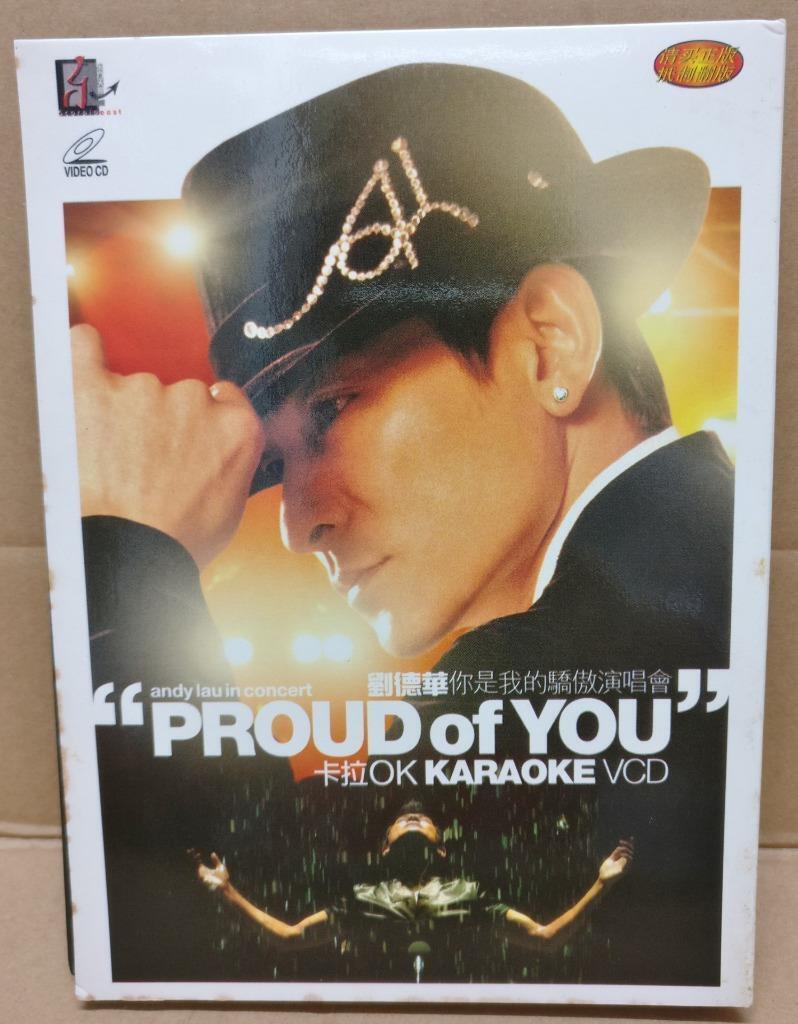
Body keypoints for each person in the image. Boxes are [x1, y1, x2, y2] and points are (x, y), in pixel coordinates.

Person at [74, 64, 732, 985]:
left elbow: (247, 945)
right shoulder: (701, 572)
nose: (298, 525)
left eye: (333, 409)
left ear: (550, 345)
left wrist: (124, 562)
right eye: (279, 463)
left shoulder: (584, 661)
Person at [193, 802, 634, 981]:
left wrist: (601, 884)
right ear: (385, 848)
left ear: (441, 850)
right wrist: (228, 892)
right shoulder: (361, 899)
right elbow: (290, 938)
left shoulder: (469, 895)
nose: (412, 817)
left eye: (423, 819)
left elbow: (545, 938)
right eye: (402, 820)